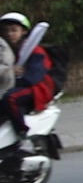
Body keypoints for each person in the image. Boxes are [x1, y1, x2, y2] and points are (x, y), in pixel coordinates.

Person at [0, 12, 54, 148]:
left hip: (36, 89)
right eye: (7, 31)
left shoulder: (35, 51)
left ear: (23, 31)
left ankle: (22, 133)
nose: (10, 34)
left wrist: (17, 77)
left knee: (10, 98)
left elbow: (34, 77)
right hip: (21, 87)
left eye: (14, 30)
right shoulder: (11, 51)